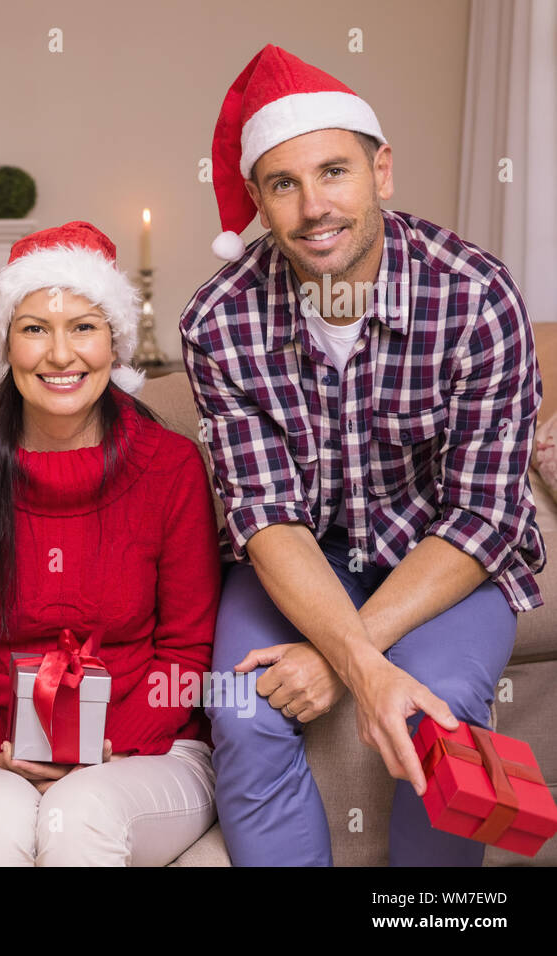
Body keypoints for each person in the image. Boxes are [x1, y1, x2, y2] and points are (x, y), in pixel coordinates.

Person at [182, 44, 546, 866]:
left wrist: (344, 656)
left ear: (381, 171)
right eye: (284, 184)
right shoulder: (218, 321)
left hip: (441, 555)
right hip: (305, 555)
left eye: (335, 172)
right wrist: (359, 657)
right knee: (241, 707)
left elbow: (485, 516)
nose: (315, 207)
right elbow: (265, 515)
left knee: (442, 710)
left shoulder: (477, 298)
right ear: (259, 201)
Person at [0, 221, 221, 866]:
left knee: (79, 817)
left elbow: (188, 649)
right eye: (35, 328)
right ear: (6, 344)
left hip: (143, 750)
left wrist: (109, 747)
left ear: (114, 342)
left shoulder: (171, 466)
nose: (60, 354)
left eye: (84, 327)